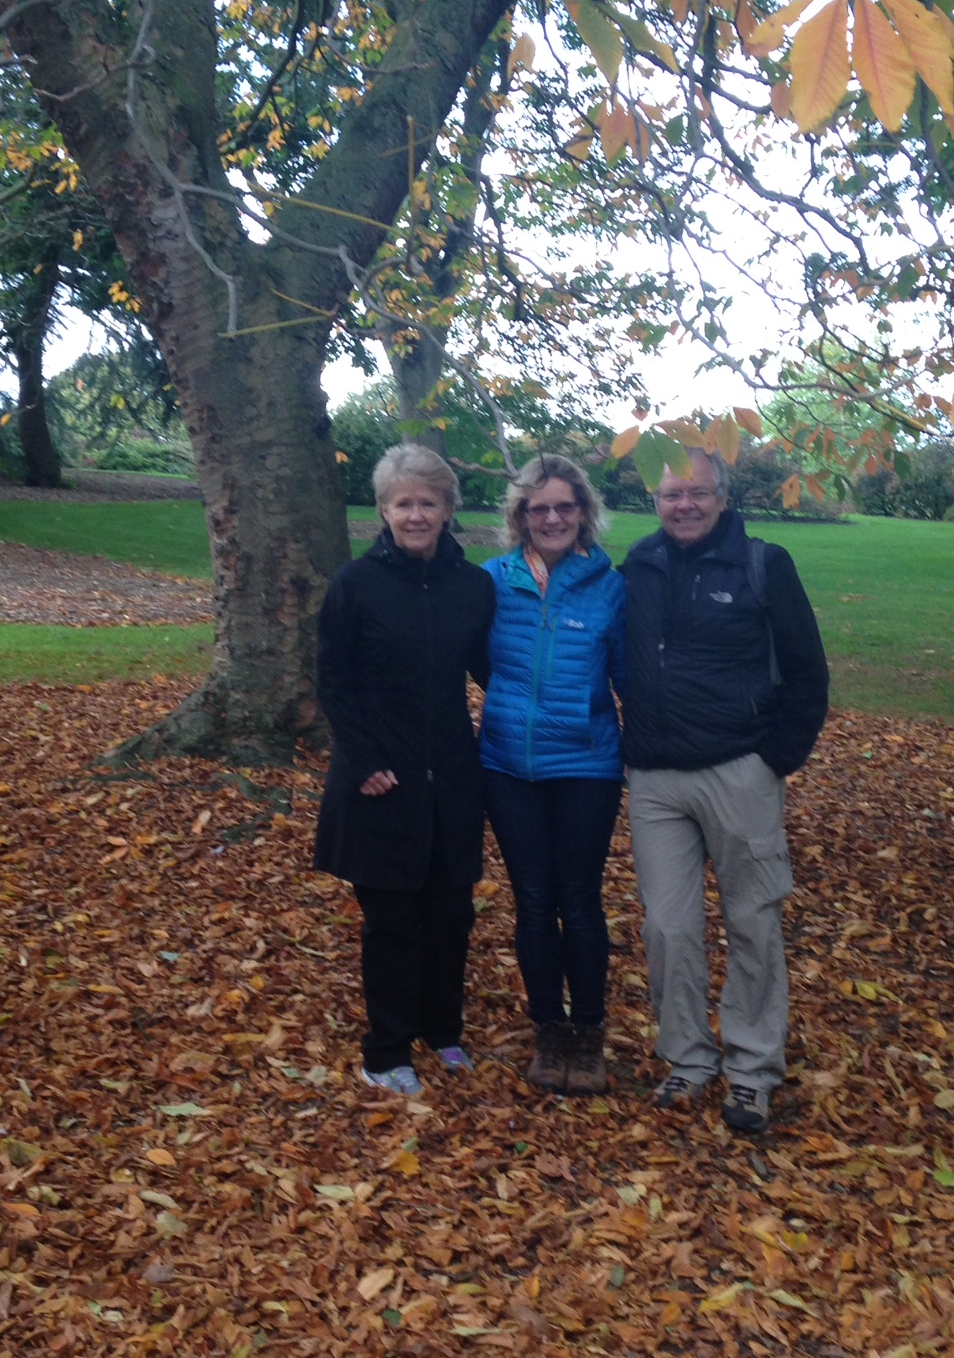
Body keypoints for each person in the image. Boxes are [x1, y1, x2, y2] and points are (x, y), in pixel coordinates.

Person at [620, 448, 829, 1134]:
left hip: (739, 771)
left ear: (722, 497)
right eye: (671, 494)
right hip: (656, 780)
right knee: (668, 926)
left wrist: (774, 761)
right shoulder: (638, 567)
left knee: (753, 921)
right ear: (655, 501)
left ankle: (752, 1069)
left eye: (698, 493)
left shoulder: (763, 565)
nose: (684, 505)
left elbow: (807, 674)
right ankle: (687, 1057)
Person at [313, 443, 495, 1098]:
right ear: (384, 511)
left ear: (447, 510)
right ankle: (386, 1049)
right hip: (379, 776)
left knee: (451, 913)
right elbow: (333, 681)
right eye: (402, 504)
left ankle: (442, 1031)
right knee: (391, 920)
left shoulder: (473, 588)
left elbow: (491, 671)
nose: (415, 515)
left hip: (452, 774)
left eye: (428, 503)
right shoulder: (355, 585)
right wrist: (364, 760)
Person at [480, 453, 626, 1095]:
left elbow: (630, 675)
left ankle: (588, 1034)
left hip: (587, 766)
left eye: (565, 506)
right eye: (538, 508)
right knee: (534, 901)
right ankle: (550, 1030)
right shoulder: (492, 581)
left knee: (580, 899)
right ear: (520, 516)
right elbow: (467, 656)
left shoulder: (610, 586)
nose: (552, 518)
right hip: (508, 766)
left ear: (584, 512)